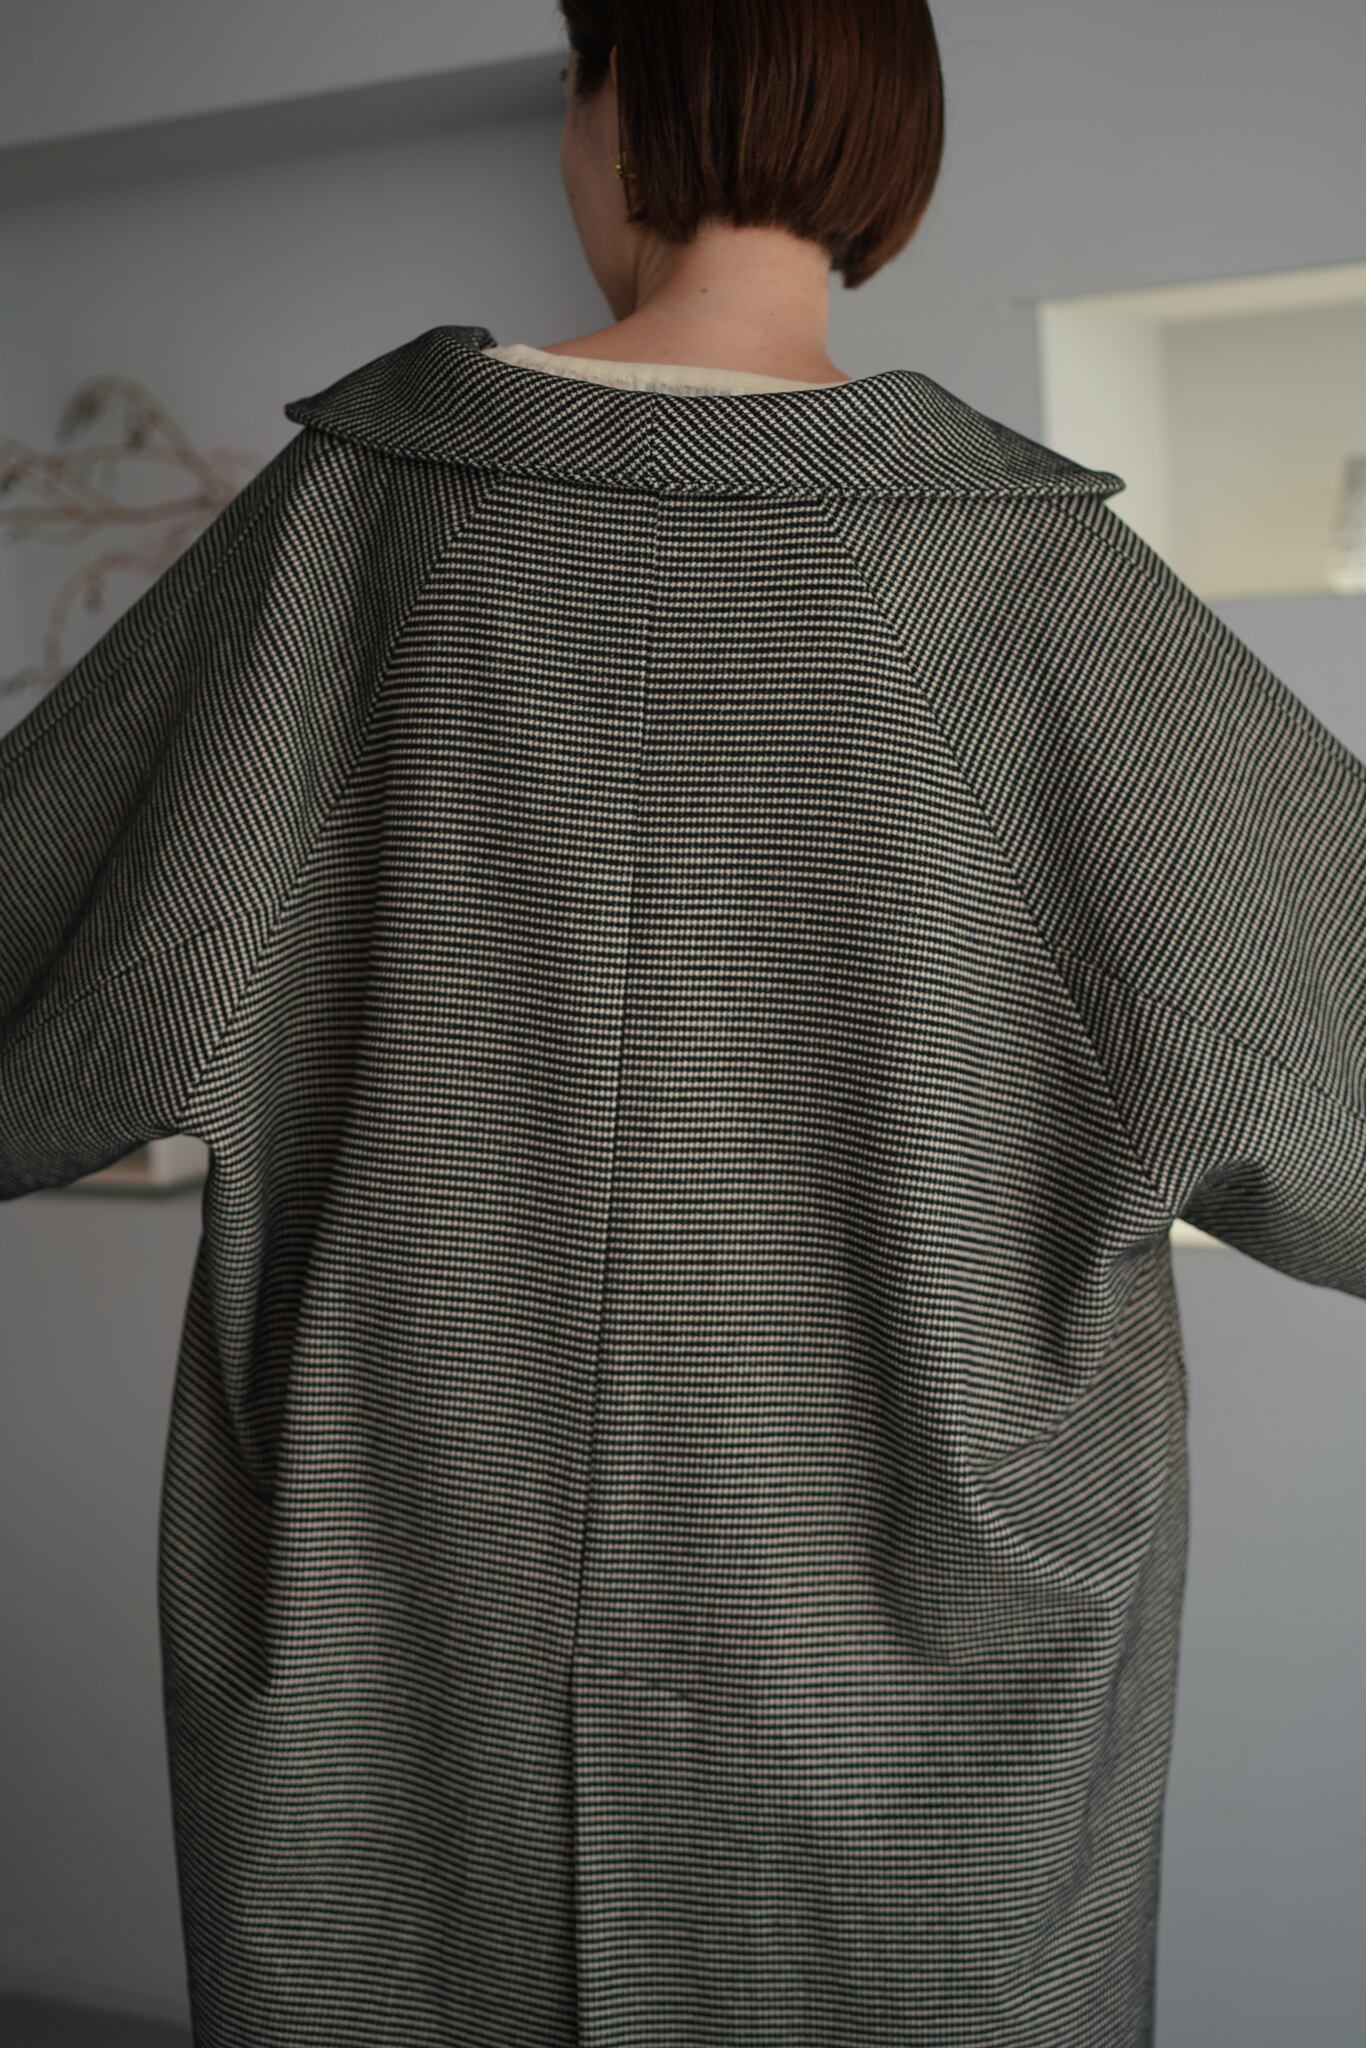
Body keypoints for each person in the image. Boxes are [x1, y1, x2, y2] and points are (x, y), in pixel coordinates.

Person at [2, 2, 1363, 2044]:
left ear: (611, 102)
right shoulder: (1045, 606)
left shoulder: (342, 549)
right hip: (919, 1735)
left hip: (397, 1672)